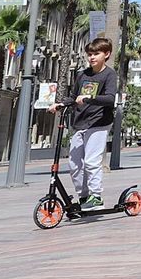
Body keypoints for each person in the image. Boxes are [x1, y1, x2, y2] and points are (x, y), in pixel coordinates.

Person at [51, 37, 119, 210]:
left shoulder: (109, 75)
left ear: (107, 54)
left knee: (91, 161)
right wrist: (60, 104)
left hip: (99, 123)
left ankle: (96, 197)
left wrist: (90, 98)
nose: (92, 57)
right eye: (90, 54)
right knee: (74, 164)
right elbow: (73, 97)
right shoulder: (82, 75)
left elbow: (110, 99)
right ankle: (84, 196)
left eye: (96, 54)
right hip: (80, 123)